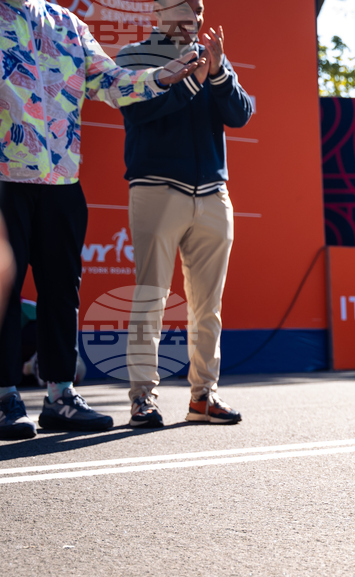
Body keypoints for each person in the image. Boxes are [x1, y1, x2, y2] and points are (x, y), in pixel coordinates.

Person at [0, 0, 202, 440]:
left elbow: (109, 81)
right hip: (3, 177)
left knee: (60, 289)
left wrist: (163, 76)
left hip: (62, 178)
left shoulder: (66, 23)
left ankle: (59, 396)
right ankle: (3, 396)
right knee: (4, 289)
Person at [115, 0, 253, 427]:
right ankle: (142, 397)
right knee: (149, 297)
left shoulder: (214, 59)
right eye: (181, 5)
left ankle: (204, 395)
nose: (192, 12)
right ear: (159, 13)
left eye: (197, 7)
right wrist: (189, 82)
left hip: (213, 193)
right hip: (157, 189)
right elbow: (139, 110)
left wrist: (217, 73)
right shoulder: (134, 56)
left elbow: (242, 114)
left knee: (208, 305)